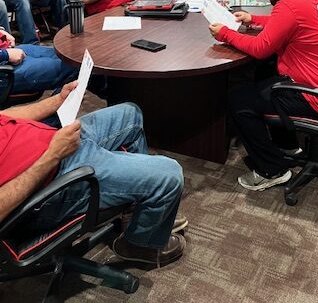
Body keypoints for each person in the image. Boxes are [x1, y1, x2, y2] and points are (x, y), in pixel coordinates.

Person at [0, 88, 187, 267]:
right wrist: (52, 155)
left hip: (57, 143)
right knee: (169, 176)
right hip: (50, 181)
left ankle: (136, 213)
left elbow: (4, 117)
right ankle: (139, 244)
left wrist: (56, 101)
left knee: (131, 114)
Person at [208, 0, 318, 191]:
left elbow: (260, 48)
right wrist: (253, 19)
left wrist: (225, 33)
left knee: (239, 100)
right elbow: (286, 22)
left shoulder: (287, 7)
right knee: (265, 73)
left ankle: (271, 170)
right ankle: (287, 144)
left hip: (317, 96)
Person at [0, 21, 77, 99]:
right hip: (3, 70)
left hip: (5, 51)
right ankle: (52, 107)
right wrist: (6, 55)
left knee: (68, 55)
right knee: (73, 65)